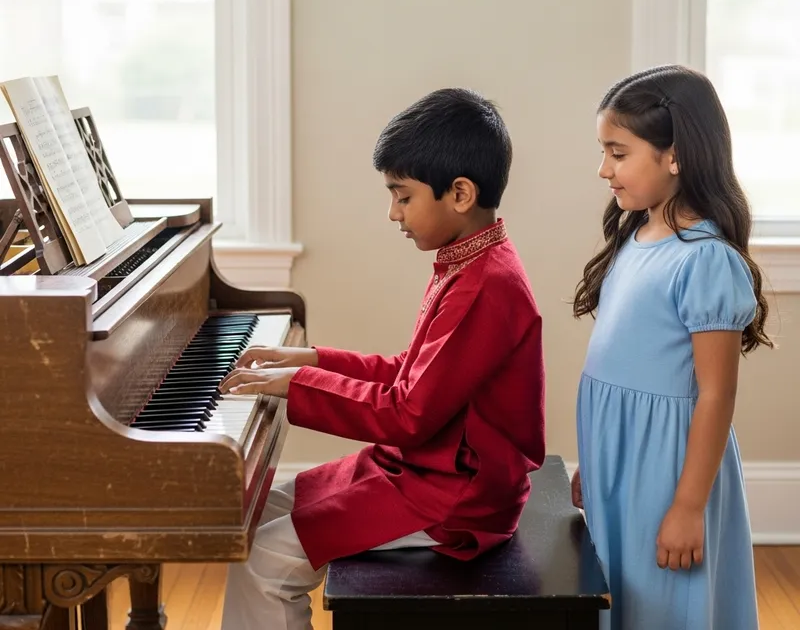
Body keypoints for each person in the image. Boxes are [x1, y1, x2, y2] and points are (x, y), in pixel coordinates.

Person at [218, 87, 546, 630]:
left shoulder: (486, 285)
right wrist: (311, 358)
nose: (393, 213)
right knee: (250, 520)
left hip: (454, 498)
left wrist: (297, 383)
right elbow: (409, 373)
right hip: (418, 470)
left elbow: (407, 413)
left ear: (460, 193)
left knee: (263, 563)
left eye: (402, 195)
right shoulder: (470, 261)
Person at [571, 65, 773, 630]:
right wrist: (597, 459)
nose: (604, 170)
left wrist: (687, 507)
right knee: (621, 592)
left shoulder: (705, 260)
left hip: (667, 468)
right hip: (620, 459)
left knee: (663, 604)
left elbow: (715, 394)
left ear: (675, 156)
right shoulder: (635, 237)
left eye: (618, 153)